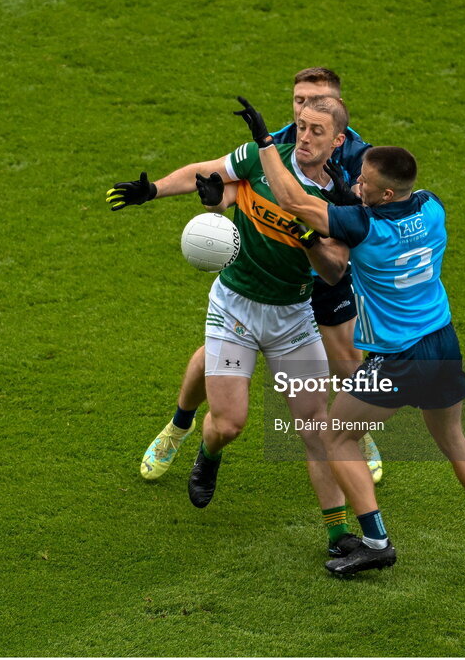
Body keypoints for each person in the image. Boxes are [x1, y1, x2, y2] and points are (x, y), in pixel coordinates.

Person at [233, 97, 465, 575]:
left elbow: (293, 201)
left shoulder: (365, 228)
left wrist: (267, 143)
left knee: (336, 435)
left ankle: (375, 541)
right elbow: (367, 200)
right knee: (453, 439)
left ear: (385, 195)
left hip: (397, 357)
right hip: (443, 343)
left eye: (366, 181)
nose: (357, 183)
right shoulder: (431, 207)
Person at [105, 96, 368, 557]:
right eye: (301, 126)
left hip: (294, 321)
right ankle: (207, 455)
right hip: (235, 311)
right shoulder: (263, 159)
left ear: (338, 141)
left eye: (317, 132)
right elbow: (205, 174)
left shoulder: (341, 203)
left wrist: (306, 238)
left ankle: (338, 533)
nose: (304, 137)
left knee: (314, 426)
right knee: (229, 423)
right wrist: (155, 191)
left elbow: (333, 271)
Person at [131, 67, 382, 486]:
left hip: (321, 272)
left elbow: (369, 217)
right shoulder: (278, 143)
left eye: (317, 107)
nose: (305, 117)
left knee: (345, 359)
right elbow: (236, 186)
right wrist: (203, 196)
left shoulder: (360, 159)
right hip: (256, 280)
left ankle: (354, 434)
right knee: (214, 364)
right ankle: (180, 425)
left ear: (339, 118)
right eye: (299, 104)